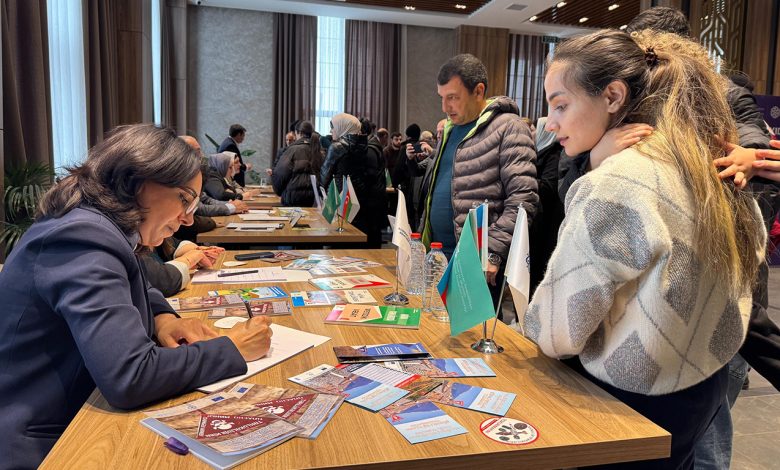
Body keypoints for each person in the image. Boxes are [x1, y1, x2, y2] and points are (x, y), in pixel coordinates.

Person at [526, 29, 765, 469]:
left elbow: (558, 330)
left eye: (560, 105)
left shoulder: (617, 182)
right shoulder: (707, 164)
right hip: (700, 388)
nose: (550, 123)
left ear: (613, 96)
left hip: (629, 402)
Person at [0, 124, 273, 468]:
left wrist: (163, 319)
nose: (188, 219)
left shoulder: (98, 226)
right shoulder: (82, 237)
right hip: (47, 445)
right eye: (184, 199)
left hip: (81, 417)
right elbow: (130, 377)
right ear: (138, 180)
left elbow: (138, 284)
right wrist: (232, 348)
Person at [406, 53, 538, 312]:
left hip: (476, 263)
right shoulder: (451, 130)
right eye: (442, 97)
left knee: (472, 333)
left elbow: (523, 199)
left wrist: (492, 252)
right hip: (438, 256)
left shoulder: (508, 127)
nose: (445, 106)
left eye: (453, 97)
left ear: (478, 91)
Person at [321, 113, 387, 248]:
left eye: (333, 127)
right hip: (360, 202)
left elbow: (324, 177)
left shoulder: (337, 147)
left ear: (343, 127)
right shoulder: (364, 145)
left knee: (338, 245)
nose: (331, 131)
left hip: (340, 200)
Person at [138, 237, 224, 297]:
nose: (190, 222)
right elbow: (162, 280)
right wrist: (188, 259)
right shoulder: (133, 249)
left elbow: (175, 243)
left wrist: (196, 251)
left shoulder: (156, 233)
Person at [272, 121, 323, 207]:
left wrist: (279, 191)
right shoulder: (319, 150)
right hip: (313, 199)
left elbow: (280, 173)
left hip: (293, 198)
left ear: (298, 133)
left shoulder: (292, 150)